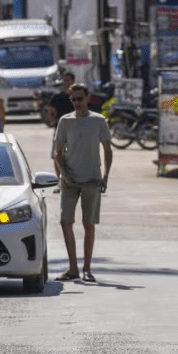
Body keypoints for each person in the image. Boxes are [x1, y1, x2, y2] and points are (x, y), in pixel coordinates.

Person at [53, 83, 112, 283]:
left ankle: (87, 268)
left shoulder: (98, 121)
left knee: (89, 224)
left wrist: (106, 176)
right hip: (70, 181)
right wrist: (63, 176)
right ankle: (72, 269)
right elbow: (57, 154)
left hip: (92, 180)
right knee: (65, 222)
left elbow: (107, 150)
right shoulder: (65, 121)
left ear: (88, 98)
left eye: (80, 99)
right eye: (74, 100)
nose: (77, 103)